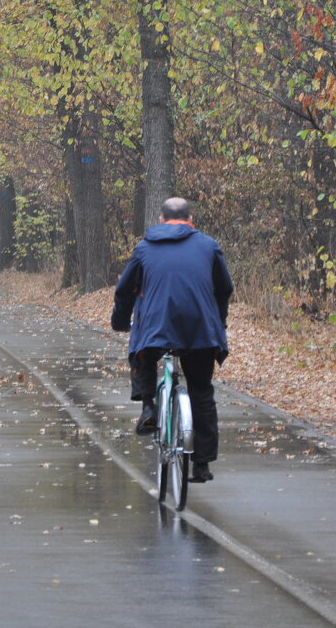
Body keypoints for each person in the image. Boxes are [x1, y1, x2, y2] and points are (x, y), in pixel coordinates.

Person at [111, 197, 233, 483]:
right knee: (201, 390)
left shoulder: (144, 248)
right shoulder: (208, 245)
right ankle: (201, 465)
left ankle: (148, 407)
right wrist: (219, 322)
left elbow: (124, 290)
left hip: (155, 327)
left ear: (161, 220)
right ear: (191, 220)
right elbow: (224, 289)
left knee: (142, 354)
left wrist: (119, 322)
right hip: (200, 330)